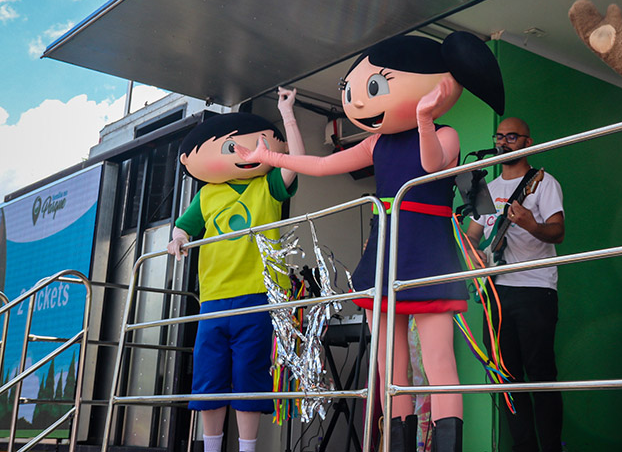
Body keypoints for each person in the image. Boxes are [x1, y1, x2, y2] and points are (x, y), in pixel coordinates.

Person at [236, 32, 505, 452]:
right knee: (388, 364)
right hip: (385, 252)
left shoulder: (446, 134)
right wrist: (270, 157)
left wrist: (424, 118)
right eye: (352, 90)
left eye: (374, 87)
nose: (358, 100)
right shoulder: (376, 142)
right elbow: (322, 165)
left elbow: (430, 165)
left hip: (428, 254)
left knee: (439, 361)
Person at [167, 87, 304, 452]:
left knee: (249, 375)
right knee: (209, 378)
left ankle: (247, 448)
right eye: (231, 147)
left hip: (258, 296)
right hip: (213, 299)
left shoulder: (267, 186)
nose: (242, 153)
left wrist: (287, 114)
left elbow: (295, 162)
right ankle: (211, 448)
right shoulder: (207, 194)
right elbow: (184, 226)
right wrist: (178, 238)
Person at [465, 117, 565, 452]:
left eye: (511, 137)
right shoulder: (487, 190)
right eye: (499, 136)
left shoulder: (542, 182)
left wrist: (531, 224)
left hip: (535, 289)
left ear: (527, 142)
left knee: (541, 375)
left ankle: (551, 447)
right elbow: (472, 237)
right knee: (505, 377)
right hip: (495, 291)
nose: (503, 142)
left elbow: (558, 232)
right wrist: (473, 255)